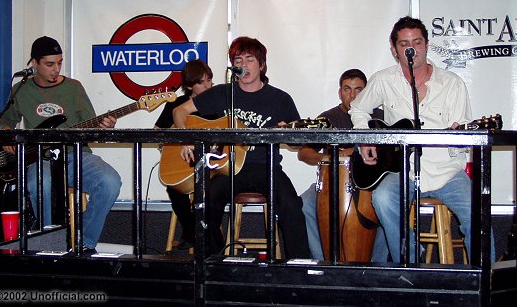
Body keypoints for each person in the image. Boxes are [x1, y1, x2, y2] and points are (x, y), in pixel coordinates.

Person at [348, 16, 494, 263]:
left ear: (426, 45)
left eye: (416, 42)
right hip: (401, 170)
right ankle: (412, 265)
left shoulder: (452, 84)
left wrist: (458, 136)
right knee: (382, 199)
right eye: (404, 43)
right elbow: (358, 109)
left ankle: (485, 280)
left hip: (445, 172)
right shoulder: (384, 80)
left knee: (477, 212)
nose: (411, 48)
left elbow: (462, 141)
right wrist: (366, 139)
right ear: (394, 50)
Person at [173, 36, 310, 259]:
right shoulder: (221, 93)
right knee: (205, 203)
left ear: (262, 64)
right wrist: (186, 139)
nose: (243, 65)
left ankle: (299, 266)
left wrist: (289, 134)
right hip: (227, 168)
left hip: (266, 169)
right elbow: (179, 112)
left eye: (250, 59)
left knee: (291, 205)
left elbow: (298, 143)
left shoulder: (280, 99)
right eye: (238, 60)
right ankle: (214, 263)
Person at [0, 36, 122, 255]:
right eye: (49, 64)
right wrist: (7, 134)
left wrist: (105, 125)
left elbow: (92, 128)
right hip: (40, 158)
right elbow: (6, 121)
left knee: (110, 181)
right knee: (41, 182)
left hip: (76, 154)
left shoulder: (74, 88)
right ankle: (50, 244)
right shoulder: (21, 89)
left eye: (59, 63)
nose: (56, 69)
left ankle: (83, 241)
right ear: (34, 64)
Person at [298, 69, 382, 260]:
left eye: (359, 90)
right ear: (339, 92)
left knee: (384, 206)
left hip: (369, 184)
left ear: (367, 92)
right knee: (304, 204)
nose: (352, 95)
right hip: (331, 184)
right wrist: (331, 158)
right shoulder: (327, 118)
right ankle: (324, 261)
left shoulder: (379, 118)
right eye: (347, 89)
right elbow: (303, 153)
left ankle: (377, 267)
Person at [154, 59, 213, 250]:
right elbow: (157, 134)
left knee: (205, 186)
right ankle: (192, 231)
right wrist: (174, 138)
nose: (208, 85)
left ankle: (194, 234)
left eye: (209, 80)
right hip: (183, 161)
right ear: (188, 86)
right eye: (202, 82)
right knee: (173, 187)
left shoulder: (217, 103)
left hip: (209, 162)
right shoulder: (176, 104)